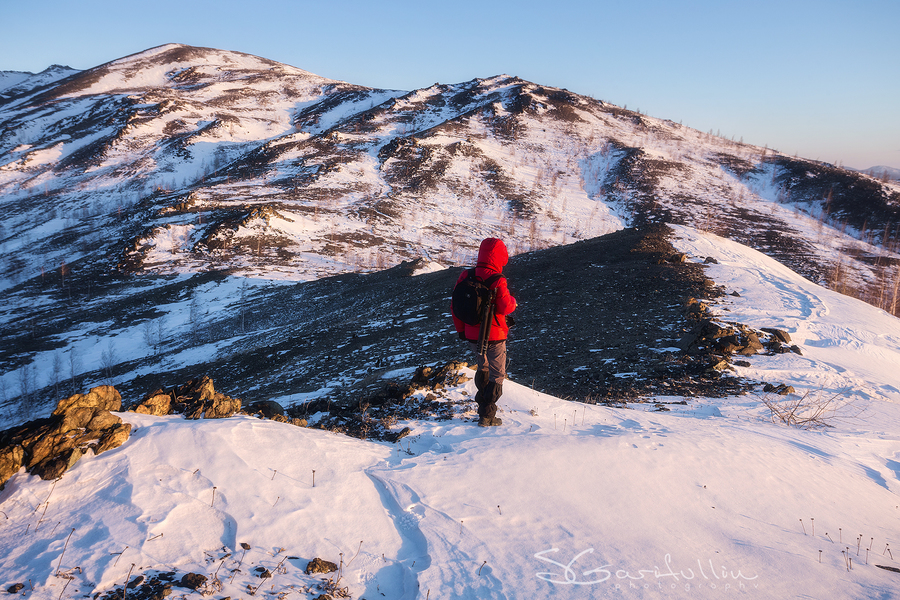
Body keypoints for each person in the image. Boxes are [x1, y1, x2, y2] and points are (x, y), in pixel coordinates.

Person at [451, 238, 517, 427]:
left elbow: (455, 306)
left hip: (472, 335)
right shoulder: (497, 279)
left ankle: (483, 410)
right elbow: (505, 306)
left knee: (483, 367)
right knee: (498, 375)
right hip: (495, 336)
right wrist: (513, 301)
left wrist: (462, 331)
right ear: (499, 257)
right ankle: (487, 415)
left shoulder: (466, 275)